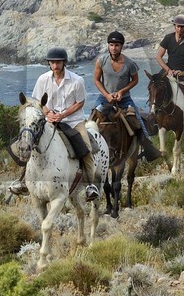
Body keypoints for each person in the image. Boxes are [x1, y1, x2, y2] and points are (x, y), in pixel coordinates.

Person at [12, 47, 94, 194]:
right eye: (52, 62)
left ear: (64, 63)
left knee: (86, 149)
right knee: (28, 142)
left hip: (73, 121)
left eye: (58, 62)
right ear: (49, 63)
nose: (55, 66)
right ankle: (23, 180)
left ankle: (90, 185)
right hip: (49, 120)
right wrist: (48, 113)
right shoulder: (43, 79)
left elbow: (80, 102)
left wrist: (62, 115)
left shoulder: (77, 81)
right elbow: (37, 101)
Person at [93, 31, 161, 162]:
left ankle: (149, 148)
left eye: (117, 45)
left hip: (124, 99)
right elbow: (96, 80)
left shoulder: (129, 64)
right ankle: (89, 147)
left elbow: (135, 80)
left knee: (138, 122)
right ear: (108, 46)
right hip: (105, 97)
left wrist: (122, 92)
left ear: (121, 46)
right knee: (92, 118)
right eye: (111, 45)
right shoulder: (101, 61)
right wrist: (106, 95)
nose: (114, 48)